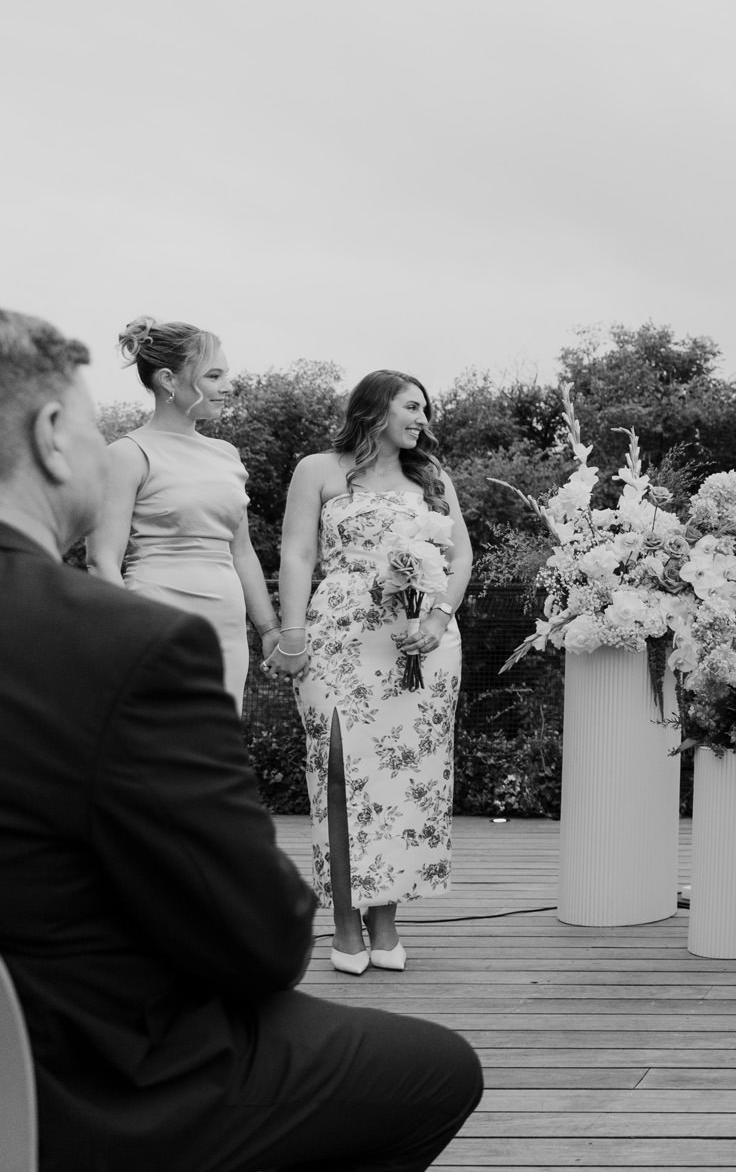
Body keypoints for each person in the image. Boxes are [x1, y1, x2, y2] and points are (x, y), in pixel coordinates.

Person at [0, 309, 482, 1172]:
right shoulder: (121, 647)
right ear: (49, 434)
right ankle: (355, 923)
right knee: (439, 1072)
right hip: (89, 1078)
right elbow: (260, 940)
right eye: (90, 424)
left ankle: (383, 913)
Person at [272, 370, 472, 975]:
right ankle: (343, 922)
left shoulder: (431, 476)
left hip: (420, 641)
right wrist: (292, 633)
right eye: (412, 406)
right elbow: (297, 553)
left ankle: (385, 921)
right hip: (339, 635)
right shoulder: (318, 470)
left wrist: (438, 618)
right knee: (335, 768)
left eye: (426, 409)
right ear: (375, 409)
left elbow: (461, 556)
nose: (423, 419)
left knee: (404, 774)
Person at [89, 316, 281, 710]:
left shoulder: (227, 456)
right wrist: (128, 632)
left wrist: (269, 629)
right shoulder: (126, 455)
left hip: (226, 628)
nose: (228, 387)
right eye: (214, 376)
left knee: (216, 738)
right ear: (168, 380)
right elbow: (101, 560)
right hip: (155, 621)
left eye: (226, 375)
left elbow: (242, 550)